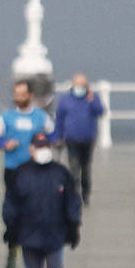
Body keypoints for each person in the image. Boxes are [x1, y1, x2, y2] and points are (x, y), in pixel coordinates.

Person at [3, 133, 82, 268]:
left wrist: (73, 227)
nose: (42, 150)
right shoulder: (21, 173)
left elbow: (72, 201)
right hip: (29, 236)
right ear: (31, 150)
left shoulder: (60, 173)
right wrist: (11, 228)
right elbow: (10, 203)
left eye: (44, 146)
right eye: (38, 146)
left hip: (55, 235)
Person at [0, 81, 55, 268]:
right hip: (12, 169)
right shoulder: (7, 117)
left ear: (30, 95)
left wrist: (42, 145)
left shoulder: (40, 117)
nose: (18, 98)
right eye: (15, 94)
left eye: (22, 94)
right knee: (11, 209)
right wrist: (4, 143)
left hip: (34, 169)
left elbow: (53, 134)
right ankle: (12, 240)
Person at [55, 72, 105, 206]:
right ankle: (74, 194)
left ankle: (86, 194)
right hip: (72, 139)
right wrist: (58, 137)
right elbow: (59, 119)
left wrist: (92, 100)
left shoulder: (93, 98)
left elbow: (100, 112)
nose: (79, 88)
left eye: (82, 85)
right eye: (77, 85)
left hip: (88, 140)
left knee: (86, 169)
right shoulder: (65, 100)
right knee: (74, 168)